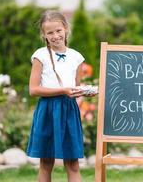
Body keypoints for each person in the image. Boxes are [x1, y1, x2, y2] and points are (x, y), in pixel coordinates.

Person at [27, 10, 95, 182]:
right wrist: (62, 91)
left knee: (73, 164)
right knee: (46, 162)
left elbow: (75, 88)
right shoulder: (40, 55)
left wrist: (87, 92)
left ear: (65, 29)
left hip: (69, 111)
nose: (55, 35)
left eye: (58, 30)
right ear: (44, 35)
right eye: (50, 32)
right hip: (48, 110)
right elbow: (33, 90)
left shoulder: (77, 57)